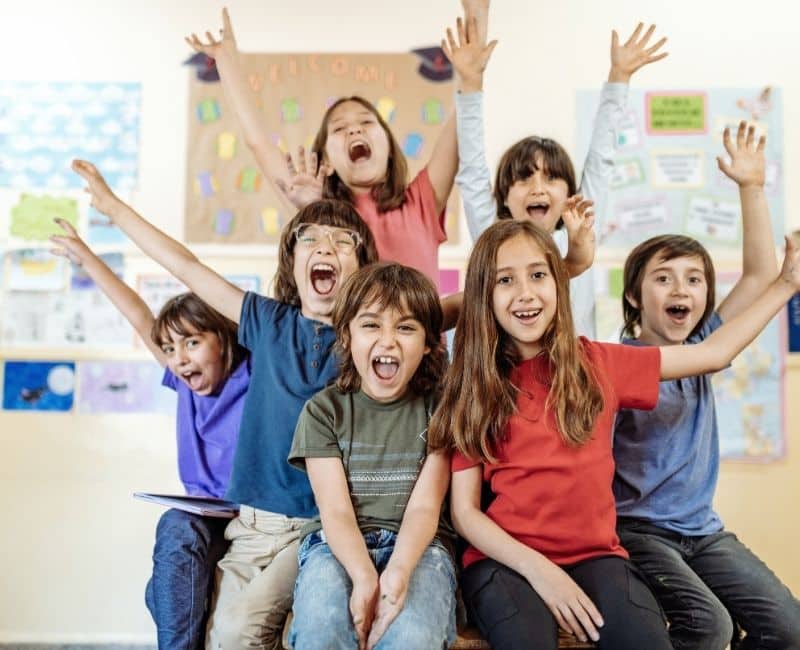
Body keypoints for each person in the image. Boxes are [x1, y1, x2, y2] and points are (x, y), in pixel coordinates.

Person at [427, 218, 800, 650]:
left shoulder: (601, 363)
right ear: (482, 296)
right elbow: (466, 514)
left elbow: (713, 353)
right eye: (504, 280)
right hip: (504, 561)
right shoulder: (473, 387)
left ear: (558, 283)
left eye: (538, 275)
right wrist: (542, 572)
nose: (525, 293)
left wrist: (786, 285)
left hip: (597, 557)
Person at [71, 157, 378, 649]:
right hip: (251, 528)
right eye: (311, 240)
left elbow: (432, 311)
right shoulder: (266, 322)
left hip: (318, 527)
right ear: (291, 263)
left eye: (343, 242)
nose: (326, 247)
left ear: (363, 270)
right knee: (221, 637)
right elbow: (186, 266)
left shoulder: (368, 337)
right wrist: (113, 208)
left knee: (252, 631)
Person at [613, 122, 800, 649]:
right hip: (639, 531)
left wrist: (752, 187)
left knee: (788, 629)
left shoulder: (702, 342)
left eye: (694, 279)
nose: (681, 288)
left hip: (702, 531)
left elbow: (758, 275)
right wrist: (787, 285)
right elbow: (768, 289)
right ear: (634, 297)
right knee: (709, 625)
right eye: (663, 277)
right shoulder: (623, 361)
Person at [50, 219, 249, 649]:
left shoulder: (254, 377)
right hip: (203, 519)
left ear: (223, 338)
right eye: (170, 349)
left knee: (160, 590)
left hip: (252, 520)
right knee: (173, 531)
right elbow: (140, 316)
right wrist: (86, 257)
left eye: (192, 343)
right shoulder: (184, 381)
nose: (179, 359)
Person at [185, 10, 490, 290]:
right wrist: (226, 62)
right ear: (326, 162)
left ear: (389, 147)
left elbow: (464, 113)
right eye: (340, 128)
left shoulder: (422, 201)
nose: (355, 129)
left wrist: (477, 20)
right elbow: (259, 143)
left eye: (367, 122)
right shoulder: (317, 207)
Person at [452, 5, 667, 335]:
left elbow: (602, 159)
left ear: (571, 195)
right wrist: (470, 83)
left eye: (551, 178)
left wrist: (619, 78)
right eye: (524, 178)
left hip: (575, 367)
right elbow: (472, 169)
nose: (538, 187)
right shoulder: (491, 236)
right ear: (503, 197)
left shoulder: (578, 234)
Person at [288, 262, 456, 649]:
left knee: (413, 637)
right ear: (347, 336)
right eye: (370, 325)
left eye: (406, 328)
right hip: (334, 546)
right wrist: (364, 576)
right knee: (321, 630)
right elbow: (335, 512)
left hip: (420, 548)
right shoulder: (323, 412)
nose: (388, 341)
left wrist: (397, 572)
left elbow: (424, 508)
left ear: (428, 343)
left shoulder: (441, 410)